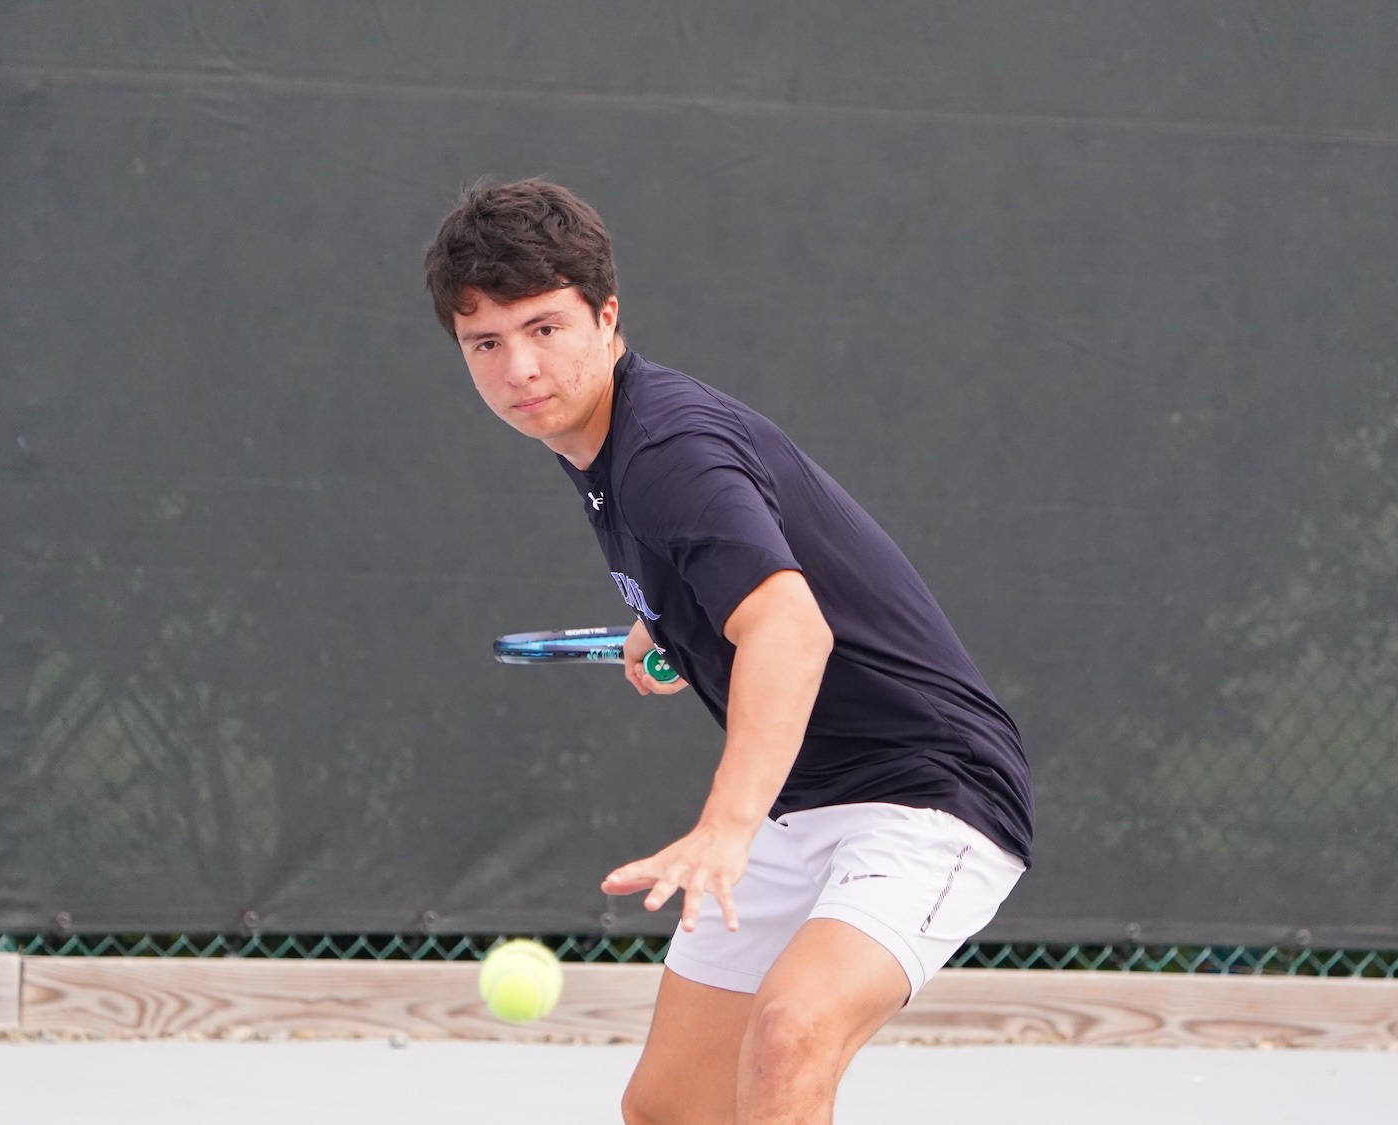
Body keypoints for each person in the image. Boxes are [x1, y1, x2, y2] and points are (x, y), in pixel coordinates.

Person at [424, 178, 1033, 1125]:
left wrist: (726, 824)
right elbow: (739, 573)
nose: (521, 368)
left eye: (544, 327)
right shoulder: (601, 447)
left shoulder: (667, 450)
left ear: (606, 316)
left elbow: (791, 628)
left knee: (792, 1032)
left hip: (930, 793)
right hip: (807, 797)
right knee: (671, 1107)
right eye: (487, 343)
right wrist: (674, 619)